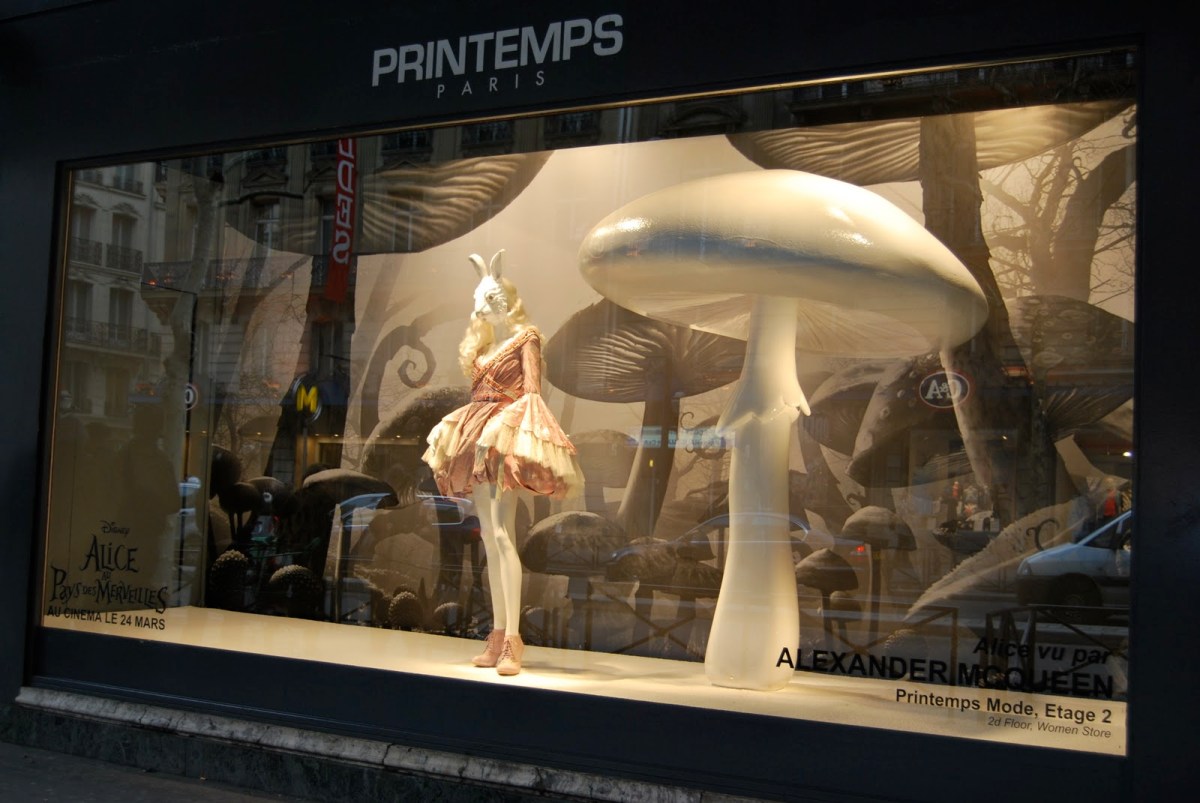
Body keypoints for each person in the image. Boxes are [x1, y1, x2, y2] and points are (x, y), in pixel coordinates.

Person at [422, 250, 581, 675]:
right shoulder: (484, 348)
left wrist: (499, 435)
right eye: (479, 297)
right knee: (490, 538)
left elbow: (531, 393)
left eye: (489, 297)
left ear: (504, 299)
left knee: (500, 532)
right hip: (476, 437)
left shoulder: (525, 338)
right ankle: (498, 633)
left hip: (500, 437)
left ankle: (512, 639)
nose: (481, 306)